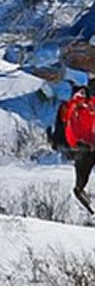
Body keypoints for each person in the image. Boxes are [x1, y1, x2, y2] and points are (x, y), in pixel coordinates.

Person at [63, 85, 95, 213]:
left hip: (90, 144)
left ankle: (81, 193)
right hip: (81, 147)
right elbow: (71, 128)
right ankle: (81, 194)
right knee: (82, 176)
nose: (82, 96)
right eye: (79, 93)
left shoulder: (89, 105)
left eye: (83, 93)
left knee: (84, 174)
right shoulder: (73, 108)